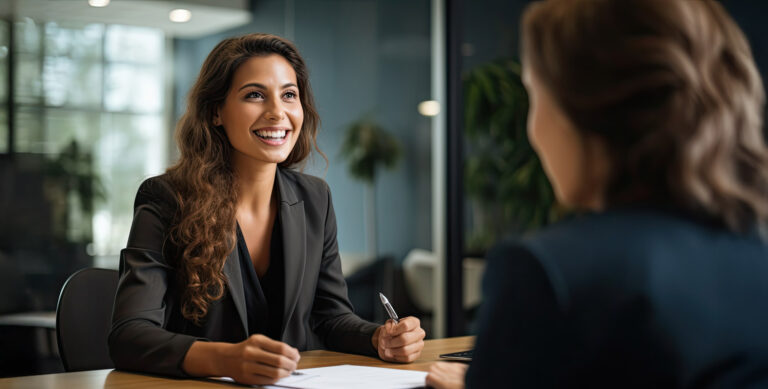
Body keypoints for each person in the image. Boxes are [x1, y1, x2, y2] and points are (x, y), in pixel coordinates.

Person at [427, 0, 768, 388]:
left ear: (587, 108)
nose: (532, 129)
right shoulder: (754, 250)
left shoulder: (550, 274)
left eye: (534, 94)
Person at [108, 33, 425, 386]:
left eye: (289, 95)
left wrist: (378, 338)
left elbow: (330, 316)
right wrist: (226, 359)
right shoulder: (166, 198)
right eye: (255, 95)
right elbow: (130, 336)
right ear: (215, 111)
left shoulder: (315, 198)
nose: (278, 112)